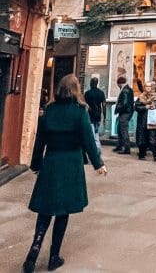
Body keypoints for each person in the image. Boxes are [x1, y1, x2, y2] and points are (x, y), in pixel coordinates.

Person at [23, 74, 107, 273]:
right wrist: (98, 164)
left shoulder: (49, 111)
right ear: (76, 90)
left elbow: (39, 141)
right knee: (63, 211)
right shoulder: (80, 112)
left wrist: (36, 164)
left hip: (51, 162)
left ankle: (33, 251)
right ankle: (54, 256)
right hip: (70, 164)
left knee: (45, 210)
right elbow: (88, 141)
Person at [134, 81, 156, 161]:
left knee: (151, 137)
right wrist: (145, 107)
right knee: (142, 138)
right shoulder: (141, 97)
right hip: (143, 121)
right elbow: (136, 108)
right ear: (144, 88)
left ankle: (155, 154)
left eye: (150, 87)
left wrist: (155, 106)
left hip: (152, 120)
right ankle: (141, 154)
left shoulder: (154, 97)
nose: (148, 89)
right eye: (147, 87)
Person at [113, 75, 134, 154]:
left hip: (125, 112)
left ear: (119, 83)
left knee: (123, 130)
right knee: (120, 129)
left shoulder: (124, 90)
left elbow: (124, 103)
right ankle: (120, 145)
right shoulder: (128, 89)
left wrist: (118, 109)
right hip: (127, 112)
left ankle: (126, 148)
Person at [84, 77, 106, 149]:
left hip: (90, 114)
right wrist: (105, 117)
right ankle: (97, 145)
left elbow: (85, 105)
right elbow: (104, 105)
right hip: (98, 114)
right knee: (96, 130)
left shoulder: (87, 93)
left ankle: (93, 145)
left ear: (91, 83)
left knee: (91, 130)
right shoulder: (101, 93)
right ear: (97, 83)